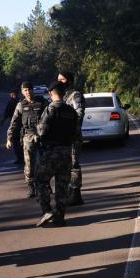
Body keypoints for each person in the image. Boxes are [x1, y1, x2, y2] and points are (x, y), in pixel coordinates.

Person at [35, 81, 78, 227]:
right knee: (62, 186)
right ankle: (60, 217)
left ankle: (47, 210)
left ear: (50, 94)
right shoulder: (72, 112)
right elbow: (77, 134)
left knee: (40, 180)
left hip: (50, 153)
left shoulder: (49, 110)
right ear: (64, 93)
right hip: (66, 153)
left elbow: (41, 132)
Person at [6, 82, 48, 198]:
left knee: (44, 162)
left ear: (32, 90)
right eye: (25, 90)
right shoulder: (21, 105)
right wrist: (9, 138)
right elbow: (13, 123)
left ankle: (45, 185)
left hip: (42, 137)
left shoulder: (42, 102)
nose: (28, 92)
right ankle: (31, 186)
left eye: (29, 89)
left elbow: (51, 117)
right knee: (29, 163)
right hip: (28, 137)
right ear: (22, 92)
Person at [58, 71, 85, 206]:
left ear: (69, 80)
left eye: (62, 79)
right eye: (58, 79)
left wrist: (66, 123)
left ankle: (75, 194)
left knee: (74, 164)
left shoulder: (75, 95)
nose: (60, 82)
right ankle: (69, 190)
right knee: (65, 165)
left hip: (73, 136)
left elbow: (79, 114)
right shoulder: (62, 96)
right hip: (63, 137)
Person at [1, 89, 23, 165]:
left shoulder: (12, 102)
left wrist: (3, 120)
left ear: (13, 94)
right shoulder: (21, 101)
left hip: (16, 125)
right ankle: (22, 157)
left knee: (16, 142)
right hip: (22, 124)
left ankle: (20, 158)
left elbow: (7, 112)